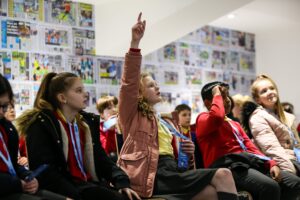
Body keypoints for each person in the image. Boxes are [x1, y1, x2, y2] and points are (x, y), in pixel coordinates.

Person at [117, 13, 239, 200]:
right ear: (139, 93)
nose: (157, 87)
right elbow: (128, 83)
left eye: (156, 84)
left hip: (172, 172)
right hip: (152, 174)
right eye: (151, 85)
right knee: (223, 174)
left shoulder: (166, 122)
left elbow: (180, 163)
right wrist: (135, 44)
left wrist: (188, 155)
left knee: (213, 193)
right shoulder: (132, 115)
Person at [15, 72, 140, 200]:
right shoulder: (42, 124)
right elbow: (46, 171)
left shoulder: (85, 124)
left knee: (128, 196)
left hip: (87, 184)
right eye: (79, 90)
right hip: (66, 189)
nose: (85, 94)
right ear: (62, 98)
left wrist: (121, 181)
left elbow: (101, 159)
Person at [196, 81, 282, 200]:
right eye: (222, 97)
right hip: (227, 168)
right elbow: (217, 117)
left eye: (227, 96)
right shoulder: (203, 118)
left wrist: (271, 163)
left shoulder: (234, 123)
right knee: (270, 187)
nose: (227, 100)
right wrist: (216, 93)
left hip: (246, 163)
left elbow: (250, 147)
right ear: (207, 102)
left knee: (292, 182)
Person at [0, 73, 67, 200]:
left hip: (14, 186)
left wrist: (28, 176)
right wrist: (18, 183)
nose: (1, 112)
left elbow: (12, 164)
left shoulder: (6, 128)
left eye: (4, 106)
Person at [248, 74, 300, 199]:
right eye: (264, 91)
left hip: (293, 158)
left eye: (271, 88)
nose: (270, 92)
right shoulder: (258, 118)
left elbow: (296, 143)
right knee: (295, 183)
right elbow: (272, 149)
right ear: (258, 99)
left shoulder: (282, 115)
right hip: (280, 163)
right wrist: (291, 170)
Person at [96, 95, 121, 162]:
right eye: (109, 108)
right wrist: (110, 130)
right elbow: (107, 150)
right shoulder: (100, 129)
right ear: (101, 114)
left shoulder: (122, 124)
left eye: (115, 106)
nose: (114, 110)